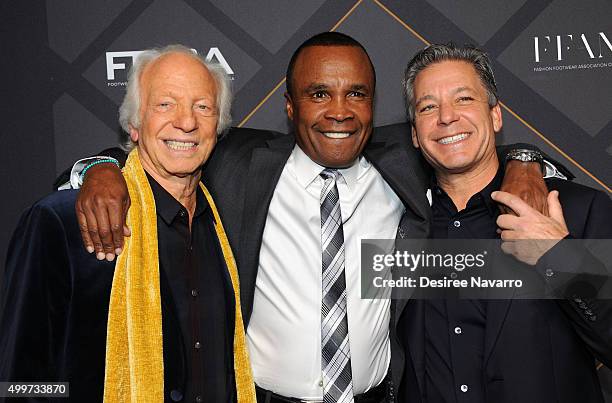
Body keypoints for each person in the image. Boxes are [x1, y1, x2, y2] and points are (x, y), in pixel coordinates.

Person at [61, 33, 557, 402]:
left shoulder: (402, 159)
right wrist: (101, 169)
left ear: (373, 103)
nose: (339, 111)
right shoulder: (238, 162)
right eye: (319, 94)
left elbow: (464, 143)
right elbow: (167, 144)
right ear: (290, 106)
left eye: (356, 94)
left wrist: (528, 160)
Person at [0, 45, 255, 403]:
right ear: (134, 125)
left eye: (203, 107)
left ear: (218, 126)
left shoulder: (225, 219)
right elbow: (18, 385)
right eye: (165, 104)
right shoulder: (61, 223)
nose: (186, 122)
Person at [396, 43, 612, 403]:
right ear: (415, 134)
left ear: (495, 116)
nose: (446, 117)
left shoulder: (576, 209)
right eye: (428, 106)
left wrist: (559, 256)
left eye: (464, 99)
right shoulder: (398, 224)